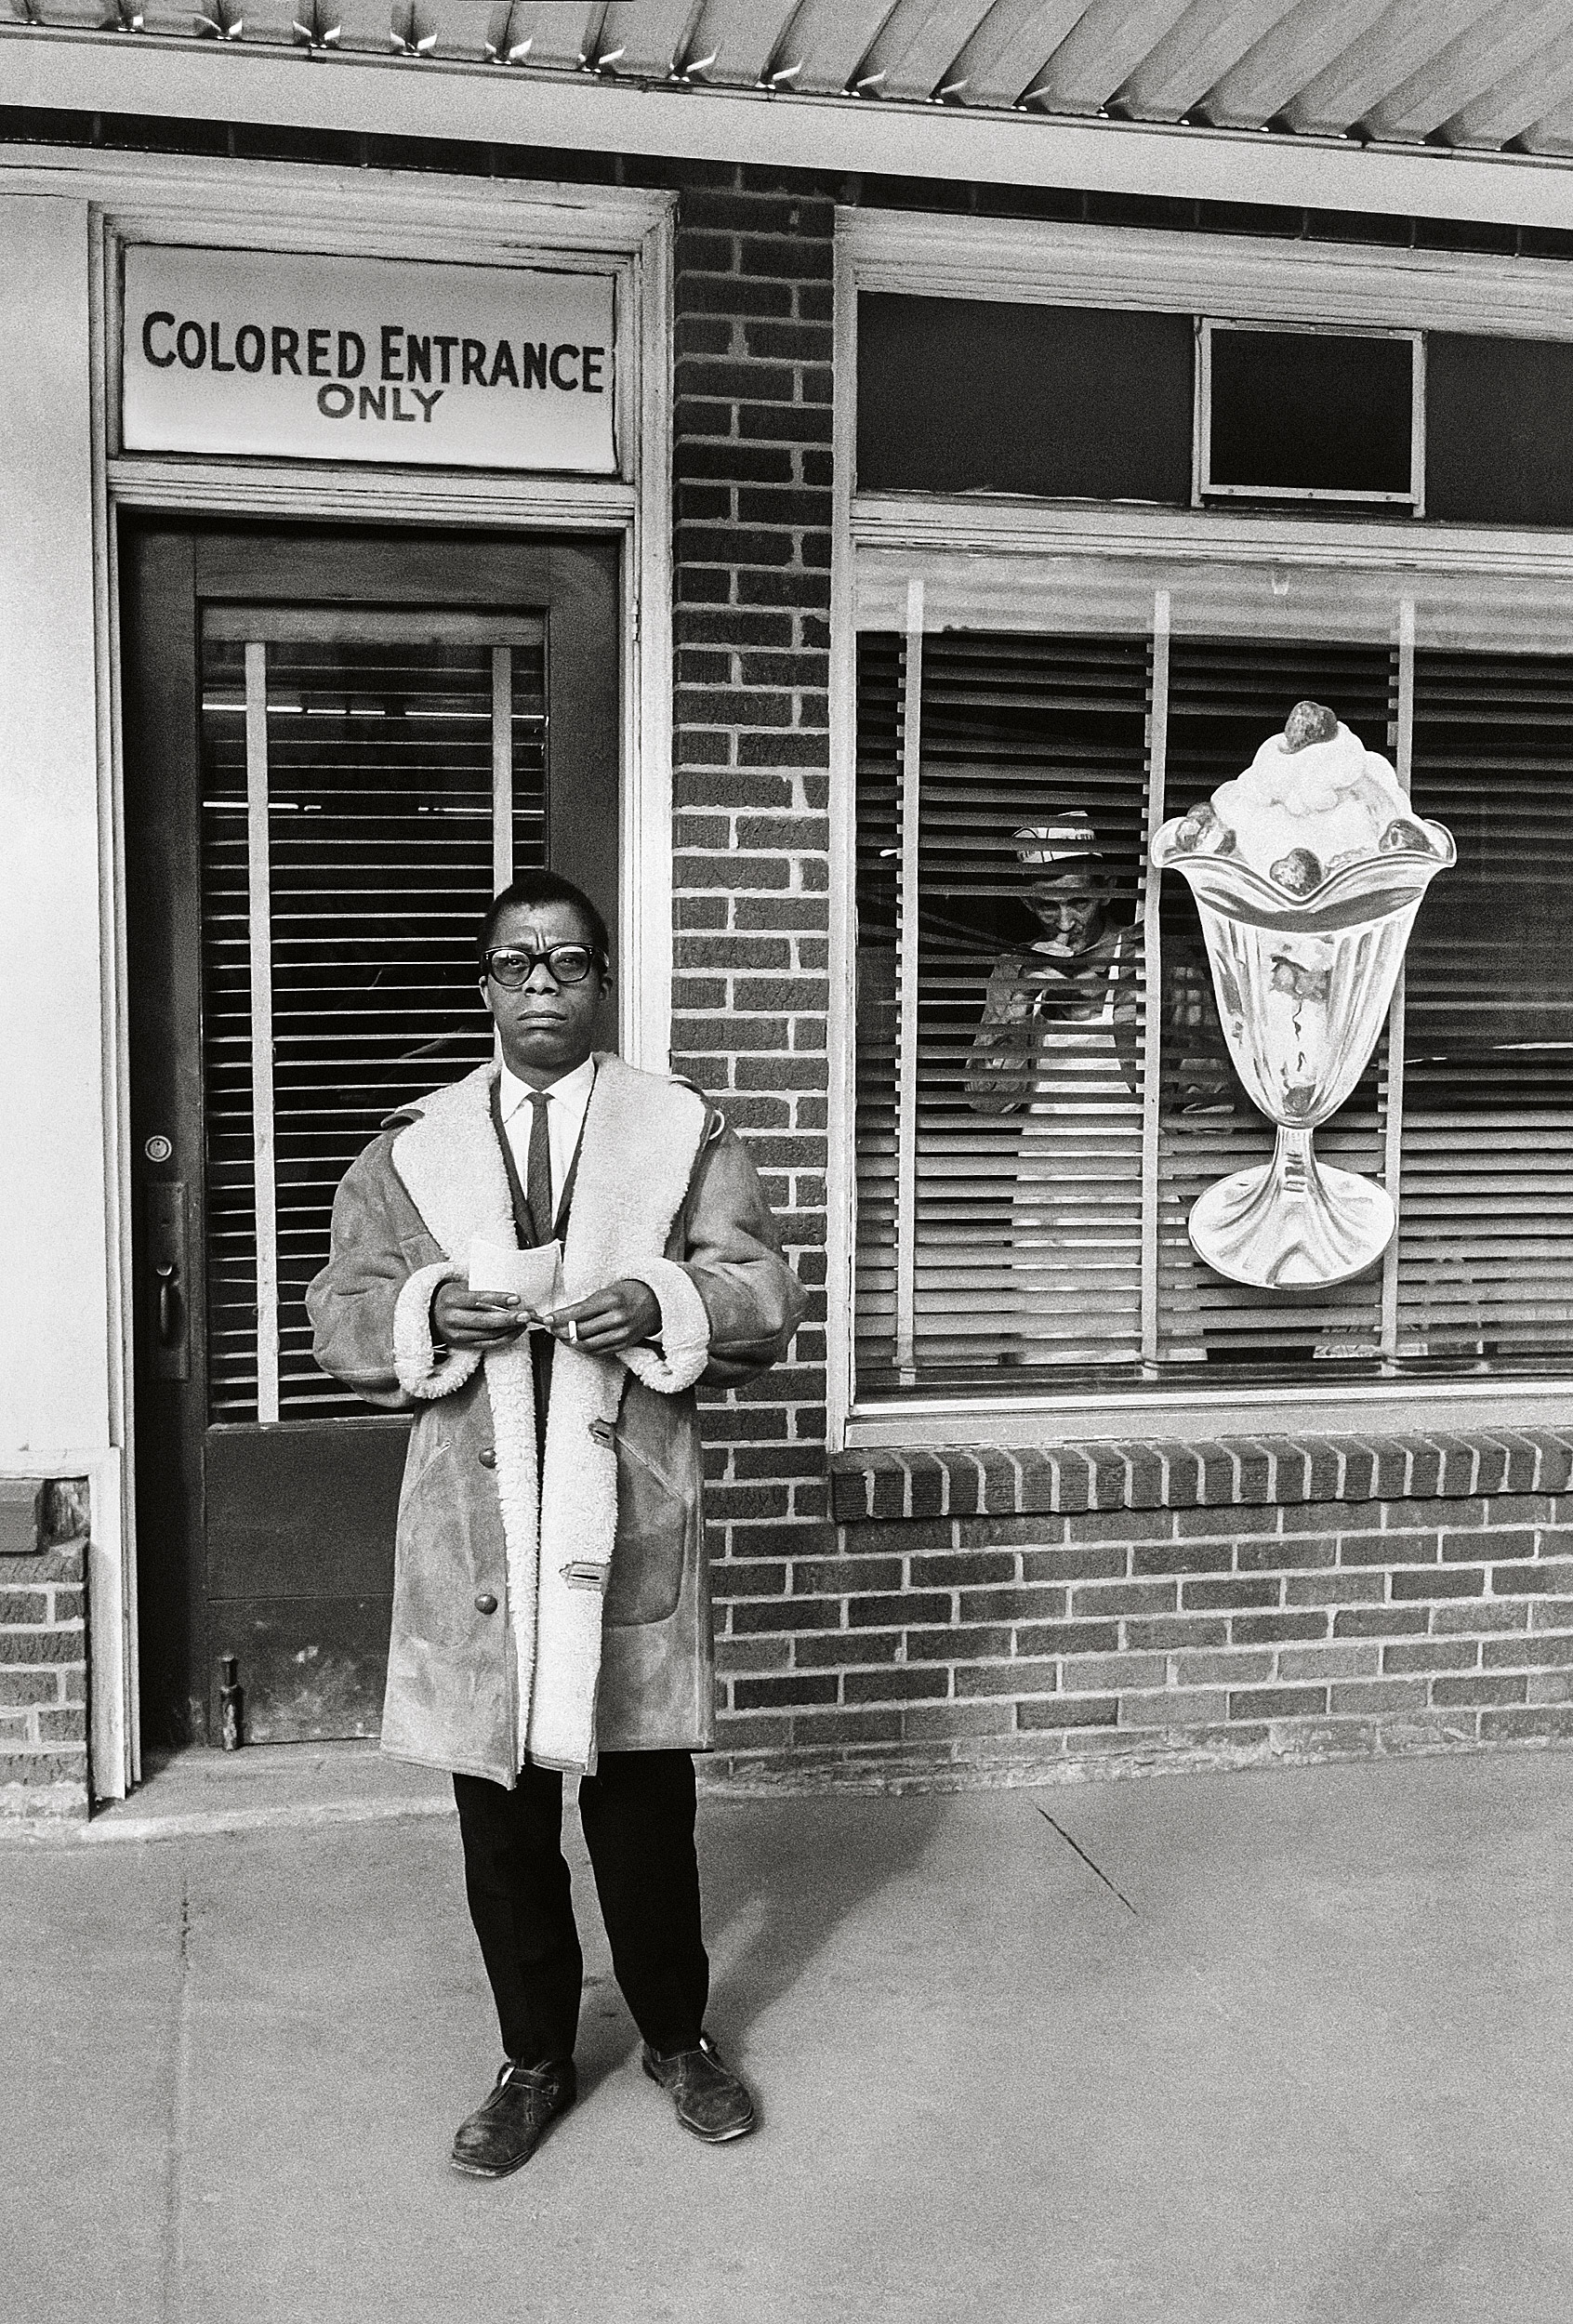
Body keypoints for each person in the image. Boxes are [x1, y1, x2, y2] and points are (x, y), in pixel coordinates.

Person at [307, 869, 805, 2179]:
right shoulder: (412, 1147)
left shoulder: (680, 1130)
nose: (542, 985)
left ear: (601, 982)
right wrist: (423, 1311)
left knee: (644, 1807)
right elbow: (341, 1305)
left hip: (620, 1506)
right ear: (483, 986)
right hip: (476, 1529)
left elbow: (759, 1285)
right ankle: (533, 2058)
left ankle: (678, 2036)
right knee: (504, 1818)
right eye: (517, 964)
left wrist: (659, 1300)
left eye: (568, 963)